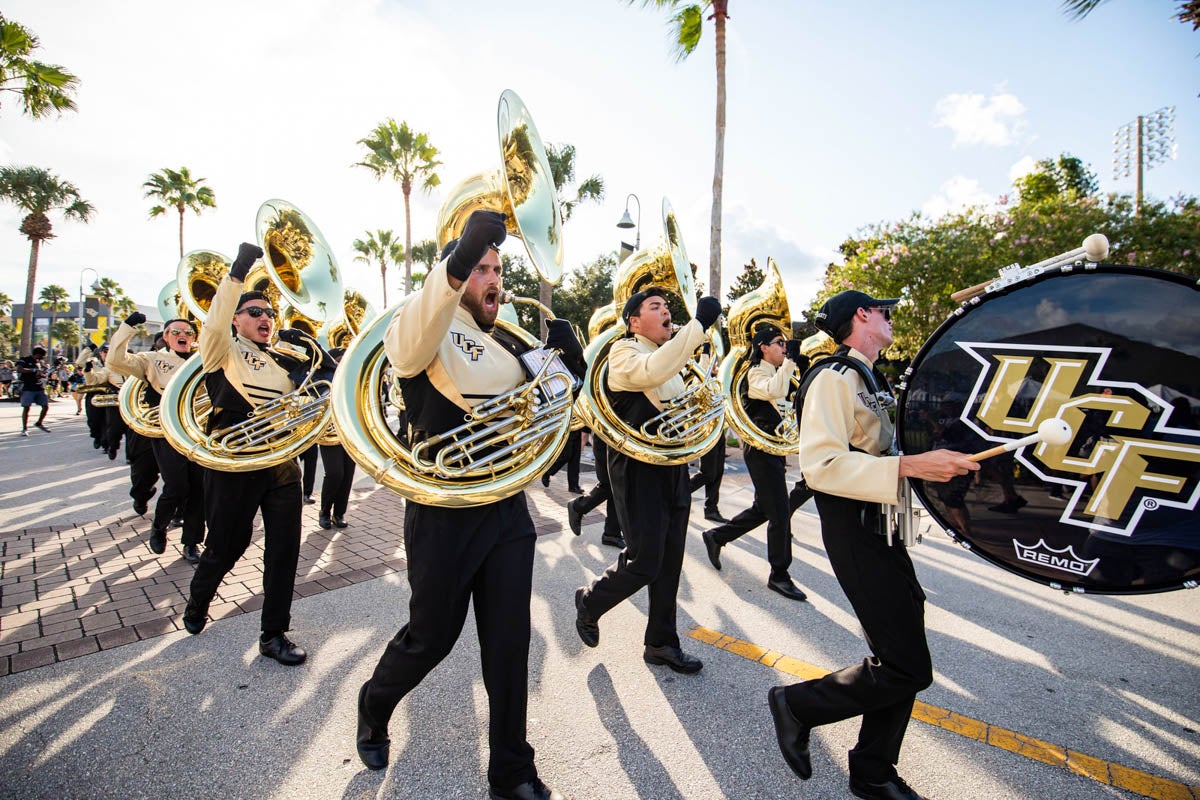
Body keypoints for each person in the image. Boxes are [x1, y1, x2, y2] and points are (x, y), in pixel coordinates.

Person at [356, 210, 582, 800]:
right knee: (431, 638)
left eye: (497, 268)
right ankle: (374, 702)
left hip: (505, 506)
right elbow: (404, 355)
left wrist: (566, 370)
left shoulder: (510, 338)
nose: (494, 279)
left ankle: (512, 772)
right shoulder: (424, 321)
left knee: (509, 646)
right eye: (482, 266)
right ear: (456, 268)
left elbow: (554, 419)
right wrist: (458, 261)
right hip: (443, 510)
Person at [767, 290, 979, 800]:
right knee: (907, 665)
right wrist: (908, 466)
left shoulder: (867, 375)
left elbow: (880, 446)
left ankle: (873, 770)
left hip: (880, 523)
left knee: (901, 648)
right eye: (884, 312)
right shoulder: (832, 378)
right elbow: (820, 466)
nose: (889, 319)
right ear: (862, 316)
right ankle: (799, 705)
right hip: (853, 526)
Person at [181, 241, 330, 667]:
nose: (265, 318)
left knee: (284, 550)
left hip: (280, 464)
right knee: (227, 546)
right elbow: (211, 325)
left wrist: (319, 363)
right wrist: (239, 270)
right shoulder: (221, 349)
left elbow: (311, 400)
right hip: (235, 464)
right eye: (255, 312)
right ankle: (198, 601)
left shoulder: (284, 361)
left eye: (269, 313)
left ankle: (273, 634)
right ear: (235, 320)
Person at [573, 287, 722, 675]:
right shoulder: (625, 352)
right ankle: (590, 600)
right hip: (638, 469)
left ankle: (661, 643)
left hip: (672, 465)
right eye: (656, 307)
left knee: (670, 561)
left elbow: (684, 399)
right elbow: (654, 371)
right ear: (634, 321)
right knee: (645, 561)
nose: (666, 311)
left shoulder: (672, 359)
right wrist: (699, 326)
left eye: (668, 307)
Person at [701, 325, 809, 601]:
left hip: (772, 450)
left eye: (785, 344)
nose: (784, 348)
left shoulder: (777, 370)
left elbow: (790, 400)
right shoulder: (755, 373)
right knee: (780, 513)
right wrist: (790, 364)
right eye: (779, 343)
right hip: (760, 450)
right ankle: (779, 575)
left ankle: (718, 536)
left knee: (764, 509)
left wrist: (803, 372)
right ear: (763, 346)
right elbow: (775, 391)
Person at [108, 313, 205, 562]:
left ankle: (192, 542)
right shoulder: (152, 359)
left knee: (199, 490)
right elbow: (116, 360)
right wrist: (127, 327)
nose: (182, 336)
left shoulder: (204, 359)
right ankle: (159, 527)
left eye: (187, 332)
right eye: (176, 332)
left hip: (198, 433)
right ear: (166, 337)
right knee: (177, 486)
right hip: (167, 433)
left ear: (194, 338)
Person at [689, 341, 728, 522]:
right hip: (706, 431)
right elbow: (702, 372)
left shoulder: (717, 381)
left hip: (718, 430)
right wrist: (705, 351)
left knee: (717, 472)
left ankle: (711, 507)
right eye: (713, 364)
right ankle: (678, 493)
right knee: (708, 473)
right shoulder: (697, 380)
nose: (716, 367)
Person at [565, 433, 625, 548]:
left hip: (614, 441)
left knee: (615, 486)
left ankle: (612, 533)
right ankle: (578, 506)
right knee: (610, 484)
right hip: (608, 439)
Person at [317, 348, 355, 530]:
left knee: (347, 475)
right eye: (339, 361)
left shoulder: (353, 379)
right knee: (335, 473)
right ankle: (324, 512)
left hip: (349, 435)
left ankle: (339, 514)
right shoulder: (322, 380)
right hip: (329, 434)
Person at [80, 343, 125, 459]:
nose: (107, 353)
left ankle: (107, 445)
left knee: (110, 423)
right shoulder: (94, 362)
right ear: (100, 353)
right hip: (95, 393)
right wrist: (88, 368)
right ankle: (96, 436)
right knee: (93, 420)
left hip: (112, 396)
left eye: (110, 351)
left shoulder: (119, 364)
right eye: (105, 351)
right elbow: (81, 365)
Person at [16, 346, 52, 435]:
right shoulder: (24, 360)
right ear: (37, 354)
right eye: (41, 356)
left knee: (45, 406)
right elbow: (19, 369)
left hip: (39, 387)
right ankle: (24, 429)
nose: (42, 358)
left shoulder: (38, 362)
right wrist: (34, 370)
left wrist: (43, 374)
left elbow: (40, 373)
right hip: (28, 387)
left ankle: (39, 423)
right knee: (26, 407)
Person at [541, 427, 583, 493]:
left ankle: (573, 486)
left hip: (578, 427)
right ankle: (547, 471)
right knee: (566, 456)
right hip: (567, 428)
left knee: (575, 459)